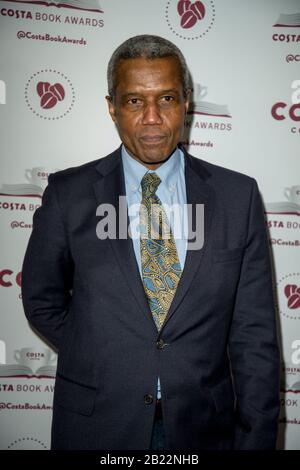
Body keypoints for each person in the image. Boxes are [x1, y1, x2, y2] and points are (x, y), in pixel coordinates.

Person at [21, 34, 280, 450]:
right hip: (98, 425)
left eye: (167, 99)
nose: (153, 118)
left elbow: (254, 335)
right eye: (134, 102)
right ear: (112, 107)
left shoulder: (238, 196)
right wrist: (102, 348)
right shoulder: (69, 194)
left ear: (187, 102)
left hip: (203, 429)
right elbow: (42, 299)